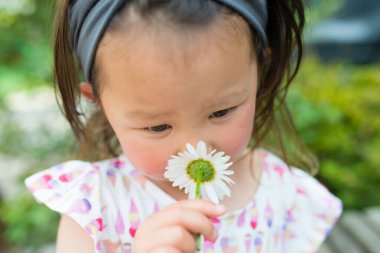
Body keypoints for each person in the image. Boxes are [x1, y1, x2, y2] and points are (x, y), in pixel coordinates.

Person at [25, 0, 343, 252]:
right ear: (99, 103)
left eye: (222, 112)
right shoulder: (94, 209)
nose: (196, 148)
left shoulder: (284, 194)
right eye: (158, 127)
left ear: (258, 73)